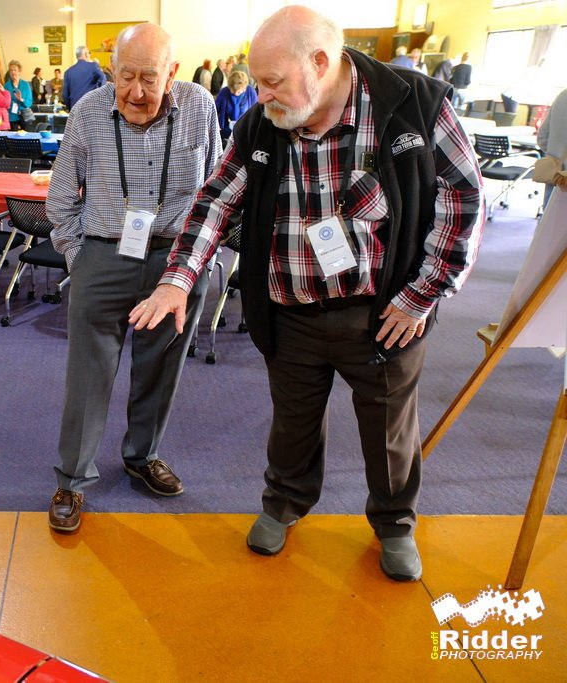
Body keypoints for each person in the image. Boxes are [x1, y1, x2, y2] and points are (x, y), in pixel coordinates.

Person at [130, 5, 483, 582]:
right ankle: (284, 503)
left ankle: (395, 522)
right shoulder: (263, 123)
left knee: (390, 426)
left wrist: (423, 294)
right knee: (293, 422)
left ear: (320, 63)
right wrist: (178, 279)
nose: (261, 96)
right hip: (291, 311)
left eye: (272, 82)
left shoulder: (413, 104)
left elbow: (462, 199)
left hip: (385, 313)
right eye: (259, 82)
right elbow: (216, 201)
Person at [45, 22, 221, 533]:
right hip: (102, 256)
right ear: (110, 70)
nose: (136, 92)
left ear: (173, 73)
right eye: (125, 76)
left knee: (161, 368)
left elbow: (214, 192)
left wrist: (197, 262)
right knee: (88, 375)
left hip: (175, 263)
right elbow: (60, 197)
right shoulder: (88, 112)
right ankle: (73, 478)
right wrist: (80, 256)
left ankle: (142, 456)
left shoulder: (200, 107)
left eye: (149, 78)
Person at [537, 88, 567, 208]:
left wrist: (557, 155)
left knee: (549, 219)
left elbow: (542, 138)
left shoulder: (563, 95)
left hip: (554, 171)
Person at [214, 69, 257, 145]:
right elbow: (214, 110)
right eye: (233, 91)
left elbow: (256, 112)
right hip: (227, 131)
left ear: (245, 88)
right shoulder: (224, 92)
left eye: (239, 91)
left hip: (245, 130)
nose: (236, 94)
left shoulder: (250, 92)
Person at [62, 46, 106, 110]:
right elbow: (103, 78)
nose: (90, 55)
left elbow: (65, 95)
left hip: (74, 107)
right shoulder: (93, 66)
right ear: (85, 54)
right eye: (89, 53)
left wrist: (70, 108)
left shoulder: (68, 72)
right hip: (91, 106)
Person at [4, 60, 32, 131]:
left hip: (24, 115)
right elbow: (4, 101)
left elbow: (29, 102)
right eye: (11, 70)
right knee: (12, 138)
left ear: (19, 71)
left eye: (15, 70)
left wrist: (21, 99)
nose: (13, 72)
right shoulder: (6, 86)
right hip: (12, 115)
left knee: (27, 137)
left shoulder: (25, 85)